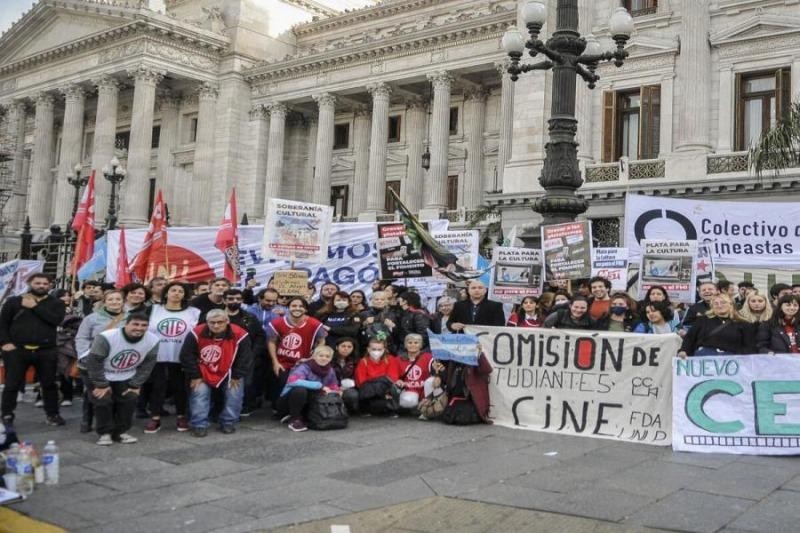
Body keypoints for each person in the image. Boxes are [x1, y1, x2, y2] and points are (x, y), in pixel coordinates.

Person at [0, 273, 66, 427]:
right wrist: (4, 343)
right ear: (29, 283)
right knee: (12, 384)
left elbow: (56, 320)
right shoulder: (14, 301)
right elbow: (3, 324)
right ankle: (7, 414)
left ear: (50, 285)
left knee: (49, 384)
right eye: (37, 283)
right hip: (18, 350)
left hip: (46, 350)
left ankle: (53, 414)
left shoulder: (56, 303)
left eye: (45, 283)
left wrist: (35, 307)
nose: (41, 286)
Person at [85, 313, 159, 445]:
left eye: (144, 325)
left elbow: (148, 364)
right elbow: (94, 361)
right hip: (97, 371)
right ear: (126, 324)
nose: (139, 328)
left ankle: (120, 432)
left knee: (129, 398)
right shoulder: (107, 337)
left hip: (126, 373)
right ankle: (105, 433)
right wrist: (101, 384)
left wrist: (135, 385)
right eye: (135, 324)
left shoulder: (153, 340)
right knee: (103, 399)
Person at [180, 309, 252, 436]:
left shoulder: (240, 334)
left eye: (220, 322)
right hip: (203, 370)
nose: (216, 325)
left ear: (227, 321)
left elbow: (245, 357)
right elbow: (186, 355)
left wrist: (237, 375)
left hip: (230, 371)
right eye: (212, 322)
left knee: (234, 394)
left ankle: (228, 422)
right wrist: (195, 375)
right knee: (199, 393)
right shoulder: (196, 332)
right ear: (207, 322)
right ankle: (199, 424)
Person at [144, 281, 199, 434]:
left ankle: (181, 416)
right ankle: (155, 417)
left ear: (185, 295)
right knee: (157, 387)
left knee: (180, 387)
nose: (177, 293)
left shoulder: (193, 312)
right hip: (157, 354)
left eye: (180, 291)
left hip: (182, 355)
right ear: (166, 293)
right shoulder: (153, 309)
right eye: (173, 290)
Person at [75, 290, 127, 432]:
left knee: (116, 394)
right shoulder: (92, 318)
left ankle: (112, 423)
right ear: (104, 302)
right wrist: (85, 355)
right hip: (95, 361)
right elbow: (82, 338)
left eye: (118, 299)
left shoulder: (130, 318)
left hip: (119, 362)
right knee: (94, 392)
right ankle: (87, 420)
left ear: (123, 301)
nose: (115, 302)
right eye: (111, 299)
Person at [266, 298, 326, 405]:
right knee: (281, 384)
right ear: (288, 308)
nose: (297, 308)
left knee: (300, 389)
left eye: (301, 306)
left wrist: (313, 357)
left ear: (306, 309)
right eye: (294, 306)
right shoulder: (277, 323)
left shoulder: (315, 324)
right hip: (283, 362)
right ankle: (279, 409)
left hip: (303, 363)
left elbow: (322, 340)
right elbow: (271, 342)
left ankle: (296, 411)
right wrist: (275, 362)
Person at [223, 289, 267, 417]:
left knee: (246, 384)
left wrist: (253, 353)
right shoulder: (215, 316)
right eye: (231, 299)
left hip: (244, 358)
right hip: (221, 357)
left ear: (242, 300)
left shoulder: (249, 317)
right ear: (225, 300)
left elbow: (260, 336)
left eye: (237, 298)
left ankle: (242, 408)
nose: (234, 301)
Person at [277, 345, 341, 432]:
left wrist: (336, 391)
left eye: (327, 356)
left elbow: (333, 385)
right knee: (300, 390)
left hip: (310, 401)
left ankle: (301, 416)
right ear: (314, 356)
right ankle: (294, 420)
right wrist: (320, 386)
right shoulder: (304, 367)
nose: (324, 358)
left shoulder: (330, 370)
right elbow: (293, 381)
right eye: (321, 355)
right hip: (287, 401)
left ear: (330, 359)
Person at [678, 294, 755, 357]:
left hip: (731, 362)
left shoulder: (743, 324)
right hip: (703, 359)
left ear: (731, 304)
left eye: (723, 302)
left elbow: (748, 347)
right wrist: (684, 351)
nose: (719, 305)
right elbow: (689, 338)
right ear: (712, 306)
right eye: (715, 303)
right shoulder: (702, 320)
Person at [354, 337, 400, 416]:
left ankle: (391, 410)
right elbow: (361, 382)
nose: (376, 352)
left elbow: (392, 378)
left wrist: (377, 382)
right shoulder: (363, 361)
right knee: (381, 382)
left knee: (390, 385)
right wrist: (380, 387)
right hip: (370, 394)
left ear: (384, 349)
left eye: (379, 349)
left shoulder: (391, 359)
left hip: (385, 391)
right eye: (374, 349)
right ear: (368, 349)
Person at [54, 289, 81, 408]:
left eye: (68, 295)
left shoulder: (74, 309)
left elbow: (79, 324)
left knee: (67, 368)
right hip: (51, 342)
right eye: (63, 296)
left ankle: (67, 395)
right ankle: (43, 396)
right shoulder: (49, 309)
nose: (66, 297)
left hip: (68, 342)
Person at [394, 333, 434, 413]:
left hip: (425, 390)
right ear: (405, 345)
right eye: (410, 342)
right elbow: (393, 375)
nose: (413, 345)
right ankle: (416, 407)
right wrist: (397, 380)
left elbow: (436, 372)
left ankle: (426, 404)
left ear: (421, 345)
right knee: (408, 401)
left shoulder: (428, 357)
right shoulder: (398, 359)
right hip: (409, 390)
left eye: (416, 343)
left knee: (432, 380)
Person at [332, 337, 358, 413]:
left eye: (349, 347)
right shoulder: (329, 359)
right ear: (337, 347)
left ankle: (348, 411)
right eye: (343, 346)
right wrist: (336, 387)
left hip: (348, 387)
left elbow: (356, 377)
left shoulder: (355, 361)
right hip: (332, 386)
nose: (346, 349)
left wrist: (346, 386)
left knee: (352, 395)